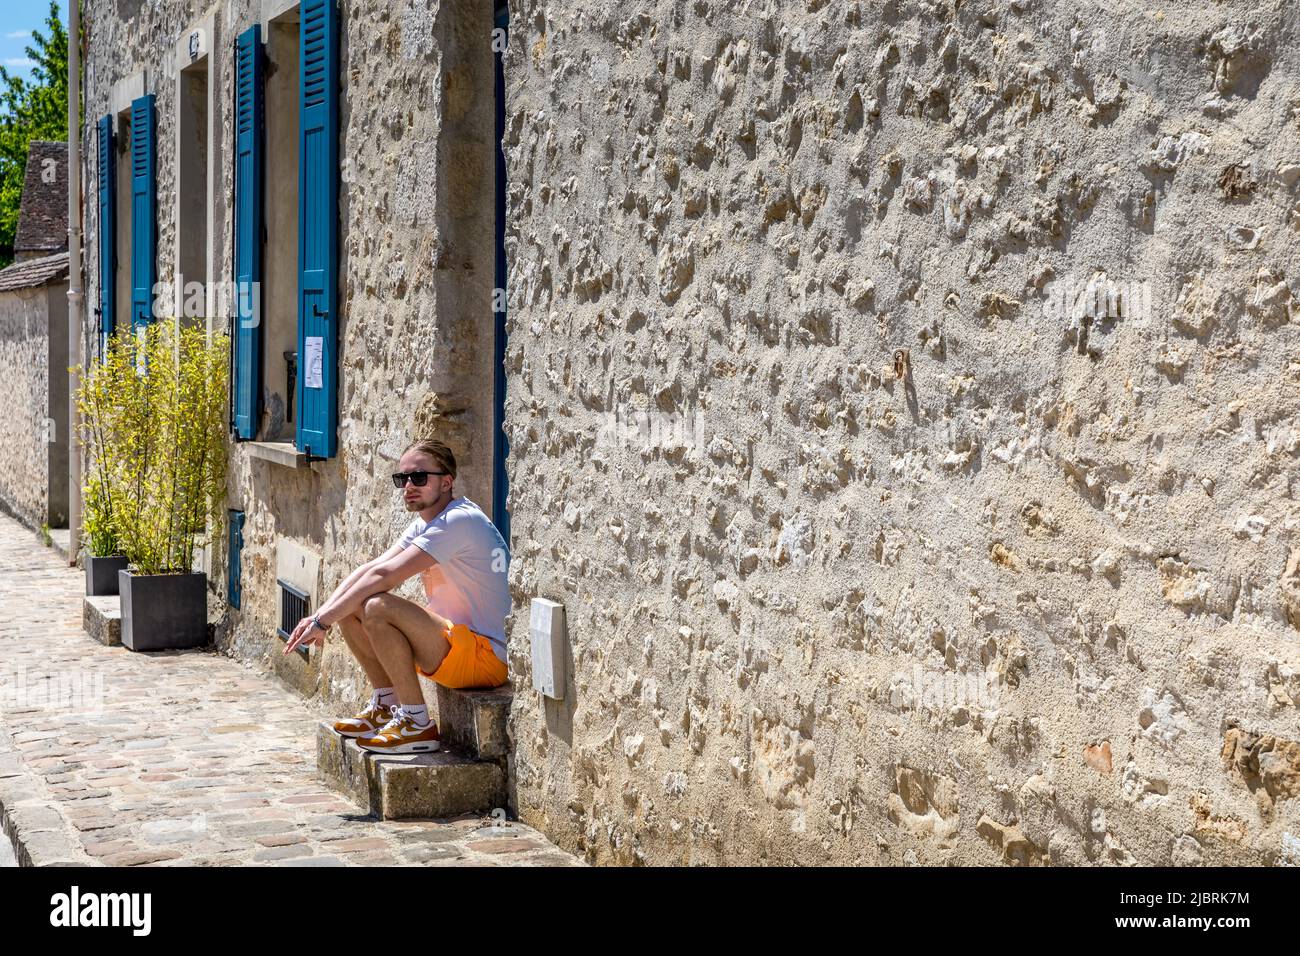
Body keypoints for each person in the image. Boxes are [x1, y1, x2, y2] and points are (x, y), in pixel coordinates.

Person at [283, 439, 510, 754]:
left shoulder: (460, 521)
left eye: (419, 478)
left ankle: (418, 724)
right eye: (402, 479)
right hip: (456, 642)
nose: (408, 486)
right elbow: (371, 568)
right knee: (352, 606)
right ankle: (387, 707)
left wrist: (322, 621)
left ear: (447, 482)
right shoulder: (427, 522)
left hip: (485, 658)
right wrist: (321, 615)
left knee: (376, 605)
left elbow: (384, 577)